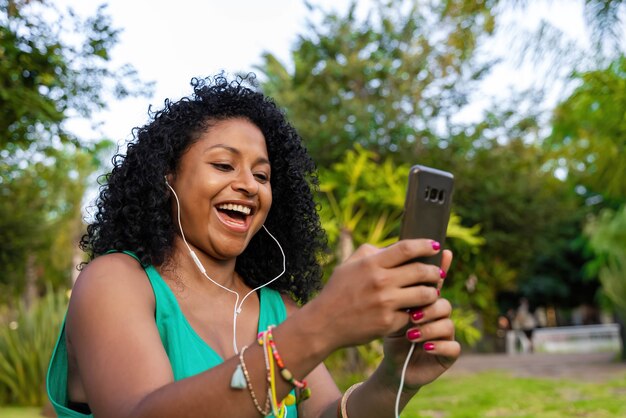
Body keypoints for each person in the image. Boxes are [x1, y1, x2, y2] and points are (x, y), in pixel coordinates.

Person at [47, 74, 460, 418]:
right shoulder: (116, 282)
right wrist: (324, 324)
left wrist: (393, 380)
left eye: (262, 176)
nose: (248, 185)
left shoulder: (278, 310)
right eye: (223, 165)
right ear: (167, 177)